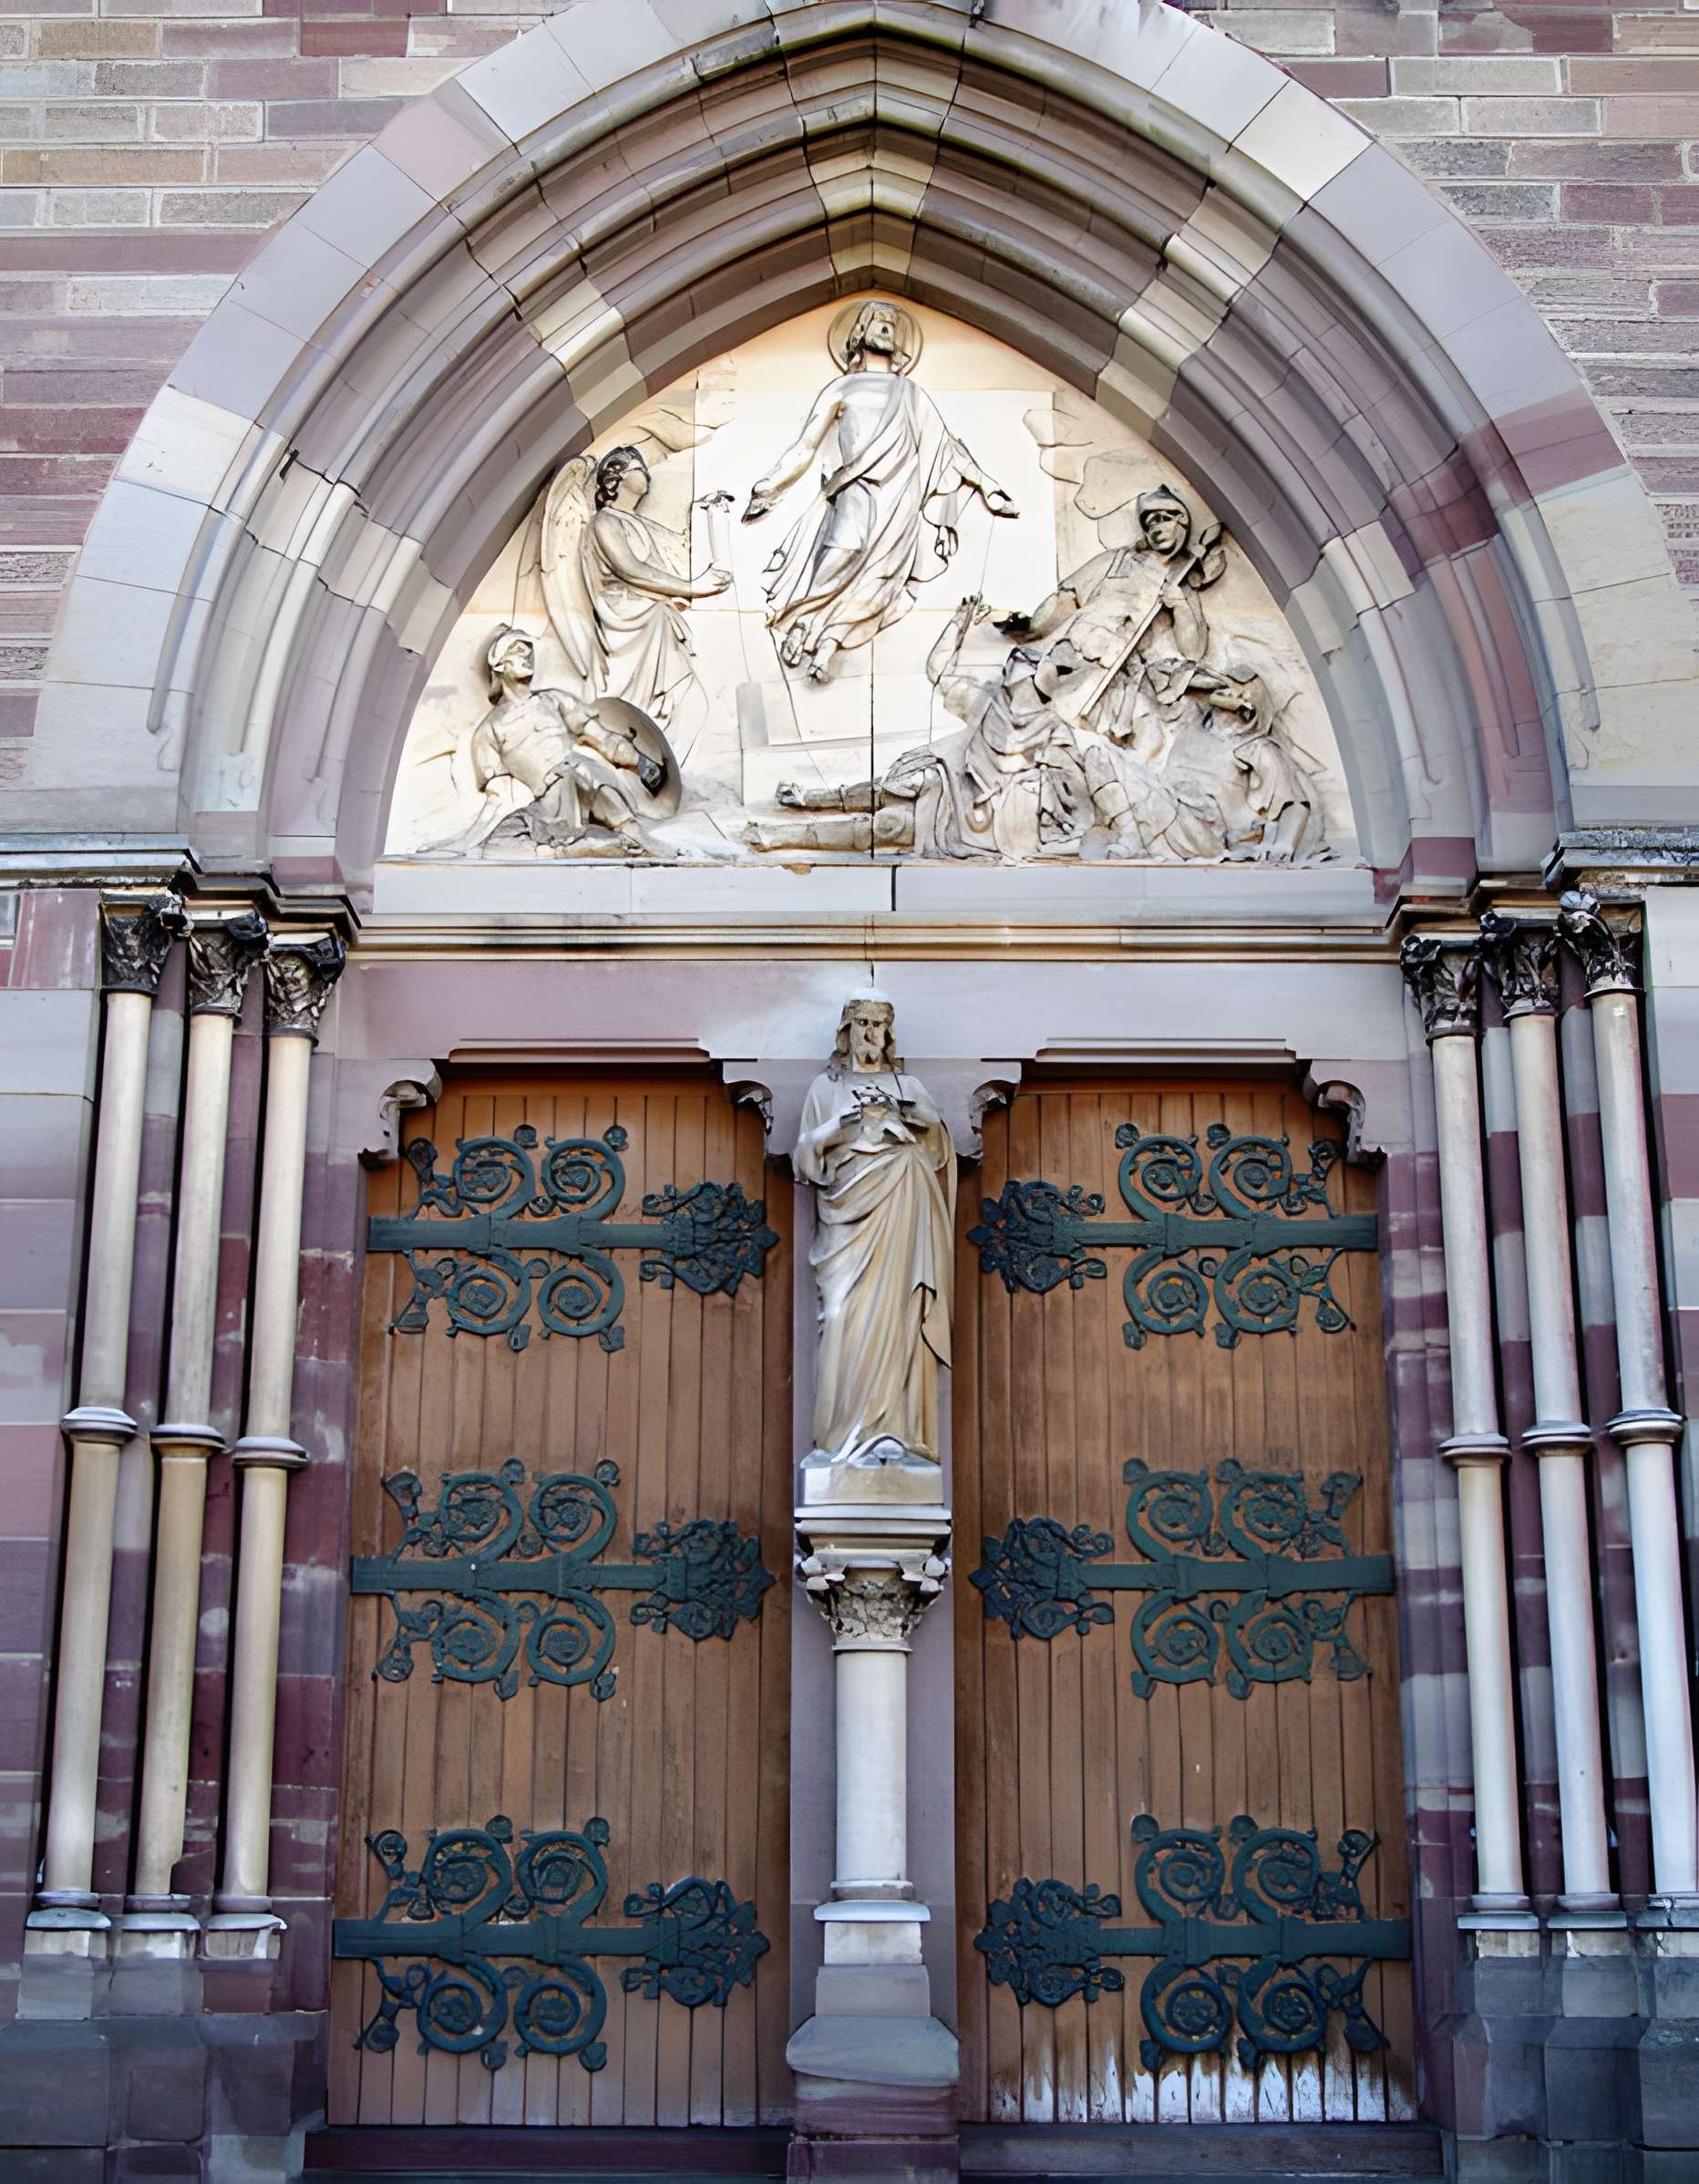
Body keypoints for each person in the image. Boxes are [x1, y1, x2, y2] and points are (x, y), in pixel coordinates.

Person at [743, 299, 1016, 682]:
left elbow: (946, 446)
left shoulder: (911, 394)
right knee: (838, 555)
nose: (886, 324)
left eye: (892, 320)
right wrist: (768, 488)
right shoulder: (843, 388)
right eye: (877, 320)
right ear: (859, 333)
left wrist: (988, 486)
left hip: (900, 498)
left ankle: (827, 646)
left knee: (882, 578)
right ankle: (804, 621)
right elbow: (806, 446)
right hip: (857, 488)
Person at [793, 994, 957, 1464]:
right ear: (847, 1033)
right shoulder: (826, 1088)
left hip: (902, 1212)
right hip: (847, 1221)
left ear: (888, 1035)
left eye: (878, 1026)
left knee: (901, 1314)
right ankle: (838, 1440)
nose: (870, 1034)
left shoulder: (909, 1083)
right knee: (844, 1318)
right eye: (861, 1024)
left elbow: (937, 1141)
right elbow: (805, 1155)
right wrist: (841, 1129)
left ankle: (895, 1433)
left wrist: (903, 1115)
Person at [998, 483, 1224, 750]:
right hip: (1077, 643)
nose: (1156, 528)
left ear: (1182, 521)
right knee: (1034, 685)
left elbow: (1194, 650)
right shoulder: (1118, 559)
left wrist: (1179, 607)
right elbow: (1067, 597)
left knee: (1076, 719)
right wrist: (1033, 626)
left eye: (1163, 519)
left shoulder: (1181, 583)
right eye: (1150, 523)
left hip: (1115, 661)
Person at [425, 624, 675, 859]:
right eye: (517, 650)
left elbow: (604, 739)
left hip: (584, 780)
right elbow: (499, 795)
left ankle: (633, 833)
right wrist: (468, 840)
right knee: (508, 842)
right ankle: (582, 847)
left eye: (528, 649)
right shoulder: (488, 731)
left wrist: (642, 763)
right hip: (549, 803)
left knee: (578, 767)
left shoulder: (553, 700)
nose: (527, 655)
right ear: (499, 665)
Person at [541, 444, 730, 723]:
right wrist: (693, 587)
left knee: (688, 701)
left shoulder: (639, 523)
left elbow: (676, 548)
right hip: (631, 622)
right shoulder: (604, 523)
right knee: (658, 703)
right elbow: (632, 570)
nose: (646, 472)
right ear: (614, 479)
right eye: (637, 467)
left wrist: (705, 513)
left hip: (655, 619)